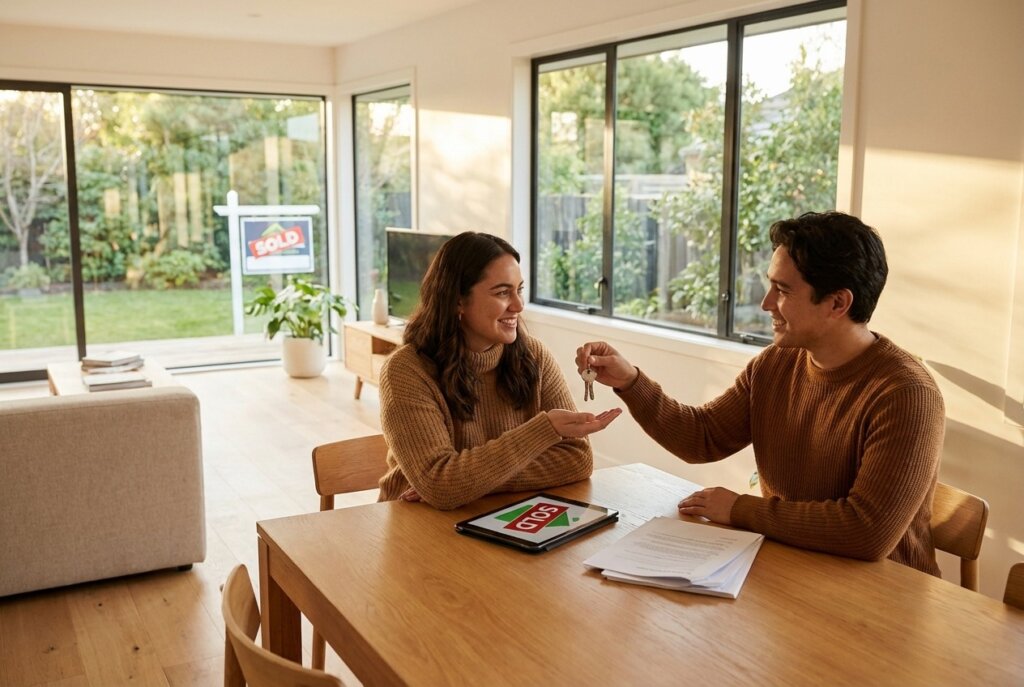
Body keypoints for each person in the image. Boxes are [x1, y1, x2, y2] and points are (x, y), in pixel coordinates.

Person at [576, 211, 945, 575]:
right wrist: (631, 381)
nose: (766, 303)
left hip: (884, 595)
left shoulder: (907, 394)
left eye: (782, 290)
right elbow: (701, 438)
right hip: (795, 568)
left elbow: (868, 531)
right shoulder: (775, 364)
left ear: (838, 303)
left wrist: (740, 509)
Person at [378, 231, 621, 510]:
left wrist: (466, 482)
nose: (518, 305)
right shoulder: (406, 371)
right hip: (415, 523)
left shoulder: (534, 355)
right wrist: (543, 430)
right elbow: (440, 484)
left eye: (519, 290)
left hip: (496, 514)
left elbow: (577, 459)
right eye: (503, 292)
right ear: (458, 300)